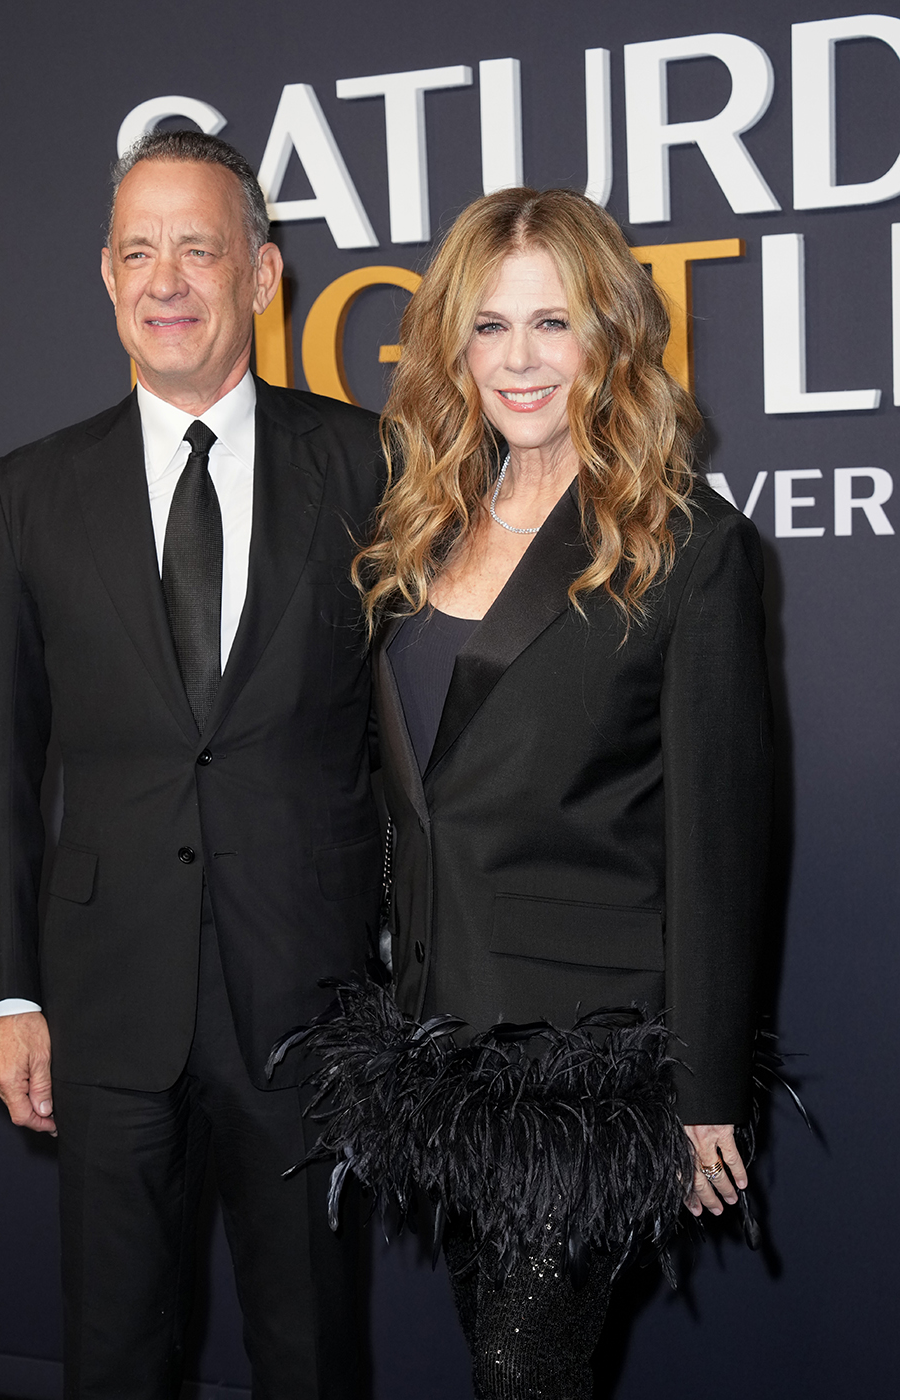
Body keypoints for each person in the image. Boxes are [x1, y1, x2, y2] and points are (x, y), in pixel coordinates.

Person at [0, 130, 384, 1400]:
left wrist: (413, 969)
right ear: (104, 274)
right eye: (139, 250)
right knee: (117, 1349)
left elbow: (415, 746)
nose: (167, 278)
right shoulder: (28, 490)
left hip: (307, 995)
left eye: (199, 246)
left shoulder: (368, 461)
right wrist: (4, 992)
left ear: (262, 272)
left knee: (311, 1347)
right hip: (100, 1001)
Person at [331, 187, 772, 1400]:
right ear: (450, 348)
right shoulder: (417, 529)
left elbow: (719, 841)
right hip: (440, 1041)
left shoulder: (684, 547)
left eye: (551, 322)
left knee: (522, 1369)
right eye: (487, 327)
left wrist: (704, 1096)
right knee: (511, 1358)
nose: (518, 360)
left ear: (610, 338)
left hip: (586, 1057)